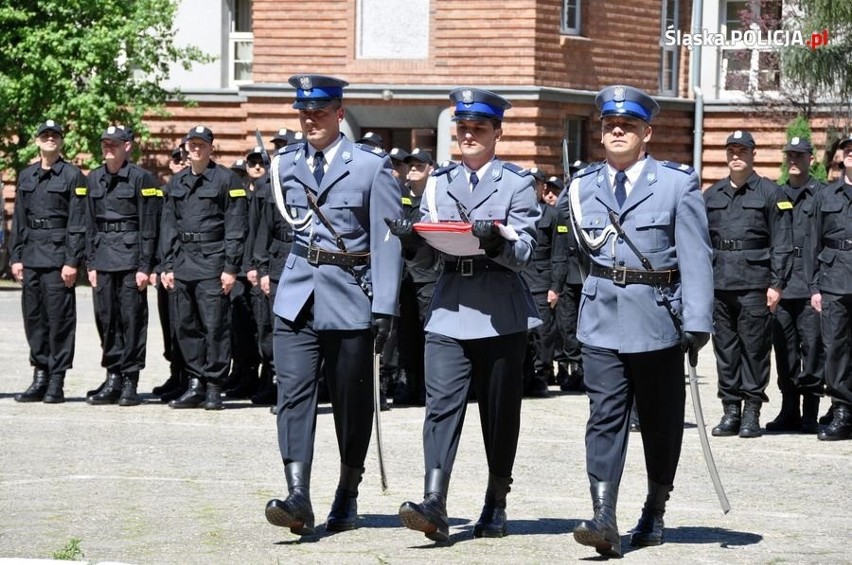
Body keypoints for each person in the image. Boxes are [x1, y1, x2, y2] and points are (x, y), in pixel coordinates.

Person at [556, 85, 714, 558]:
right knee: (603, 418)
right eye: (609, 125)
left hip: (657, 318)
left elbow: (695, 256)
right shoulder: (583, 186)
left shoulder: (675, 183)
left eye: (627, 125)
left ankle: (655, 508)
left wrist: (698, 317)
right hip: (601, 315)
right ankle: (603, 514)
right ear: (601, 132)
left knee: (662, 423)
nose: (617, 131)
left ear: (647, 132)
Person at [392, 87, 541, 541]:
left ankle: (495, 502)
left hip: (500, 310)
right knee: (440, 408)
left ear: (497, 132)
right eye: (464, 128)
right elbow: (430, 258)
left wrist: (497, 242)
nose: (470, 135)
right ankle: (434, 501)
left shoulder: (516, 183)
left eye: (479, 128)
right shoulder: (438, 182)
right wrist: (412, 242)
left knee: (498, 413)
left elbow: (527, 251)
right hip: (450, 305)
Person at [264, 74, 402, 536]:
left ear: (339, 114)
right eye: (303, 112)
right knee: (293, 395)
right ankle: (297, 494)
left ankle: (347, 491)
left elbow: (387, 239)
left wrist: (385, 304)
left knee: (351, 401)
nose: (310, 120)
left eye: (319, 112)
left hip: (350, 294)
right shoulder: (284, 163)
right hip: (298, 293)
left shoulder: (369, 166)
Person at [704, 130, 793, 438]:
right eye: (731, 150)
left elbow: (782, 242)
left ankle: (751, 411)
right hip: (719, 284)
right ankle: (731, 409)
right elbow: (702, 243)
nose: (736, 155)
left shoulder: (770, 193)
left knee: (754, 350)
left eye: (742, 150)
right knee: (725, 350)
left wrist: (777, 283)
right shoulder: (712, 195)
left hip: (755, 284)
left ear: (753, 154)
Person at [159, 125, 248, 410]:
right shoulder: (176, 183)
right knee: (186, 326)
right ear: (186, 147)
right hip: (184, 261)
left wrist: (231, 267)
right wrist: (167, 264)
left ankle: (213, 386)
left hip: (213, 261)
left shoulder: (227, 180)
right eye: (191, 144)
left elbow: (236, 226)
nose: (196, 148)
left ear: (211, 147)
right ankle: (195, 383)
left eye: (201, 144)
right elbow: (169, 225)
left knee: (215, 327)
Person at [84, 125, 162, 406]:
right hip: (103, 258)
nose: (108, 148)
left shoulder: (142, 179)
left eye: (114, 144)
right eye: (105, 143)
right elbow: (88, 224)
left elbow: (149, 225)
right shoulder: (93, 178)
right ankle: (112, 376)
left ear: (127, 146)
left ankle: (130, 380)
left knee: (131, 321)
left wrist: (145, 266)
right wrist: (90, 263)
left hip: (131, 260)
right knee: (106, 320)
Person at [11, 120, 87, 404]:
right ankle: (40, 375)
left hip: (57, 258)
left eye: (55, 136)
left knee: (60, 320)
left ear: (61, 142)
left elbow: (77, 222)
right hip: (31, 255)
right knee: (34, 318)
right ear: (37, 141)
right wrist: (16, 256)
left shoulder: (72, 176)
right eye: (45, 135)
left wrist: (72, 261)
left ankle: (57, 380)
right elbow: (19, 218)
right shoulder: (26, 175)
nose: (50, 139)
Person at [766, 137, 825, 433]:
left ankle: (810, 414)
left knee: (813, 349)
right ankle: (788, 410)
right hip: (783, 285)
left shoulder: (821, 195)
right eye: (790, 155)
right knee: (785, 351)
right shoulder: (777, 195)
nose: (794, 160)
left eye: (799, 156)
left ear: (810, 160)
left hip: (811, 286)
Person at [806, 133, 852, 441]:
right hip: (834, 279)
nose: (851, 153)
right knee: (836, 348)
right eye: (848, 149)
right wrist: (814, 286)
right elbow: (812, 242)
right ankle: (843, 410)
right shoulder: (827, 195)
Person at [392, 148, 441, 406]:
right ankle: (408, 383)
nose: (412, 168)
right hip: (403, 275)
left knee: (428, 333)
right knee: (405, 333)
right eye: (410, 164)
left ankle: (426, 386)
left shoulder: (435, 198)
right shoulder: (399, 196)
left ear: (430, 168)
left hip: (428, 274)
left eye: (419, 164)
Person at [521, 169, 567, 397]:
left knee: (543, 333)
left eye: (536, 185)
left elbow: (559, 255)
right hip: (518, 280)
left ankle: (541, 374)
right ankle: (522, 375)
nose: (532, 189)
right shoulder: (515, 212)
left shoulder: (553, 214)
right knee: (520, 334)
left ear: (542, 188)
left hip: (541, 282)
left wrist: (555, 287)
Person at [546, 175, 585, 393]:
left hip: (585, 275)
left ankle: (583, 371)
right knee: (566, 326)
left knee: (583, 326)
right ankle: (572, 369)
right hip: (568, 276)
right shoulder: (563, 214)